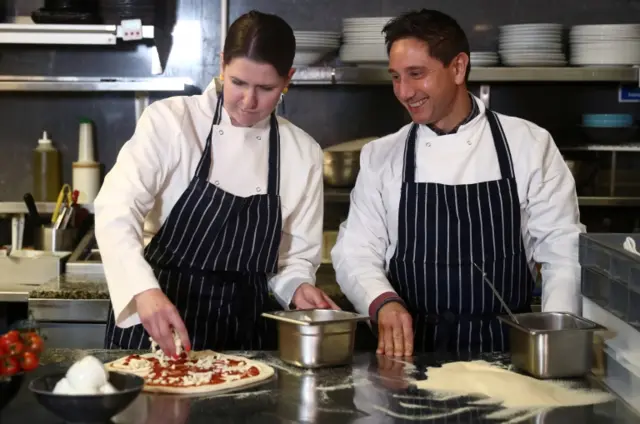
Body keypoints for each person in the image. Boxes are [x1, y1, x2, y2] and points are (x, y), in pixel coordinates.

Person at [332, 9, 584, 357]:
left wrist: (555, 341)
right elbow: (355, 251)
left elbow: (563, 252)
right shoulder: (382, 156)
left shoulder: (528, 144)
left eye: (416, 74)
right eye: (395, 77)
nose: (404, 92)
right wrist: (381, 301)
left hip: (506, 355)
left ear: (458, 67)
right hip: (408, 356)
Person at [95, 10, 337, 356]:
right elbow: (116, 209)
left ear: (288, 79)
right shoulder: (172, 122)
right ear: (222, 65)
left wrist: (298, 286)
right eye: (238, 83)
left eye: (266, 88)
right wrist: (141, 290)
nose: (249, 102)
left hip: (245, 336)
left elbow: (294, 258)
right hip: (159, 323)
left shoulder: (302, 152)